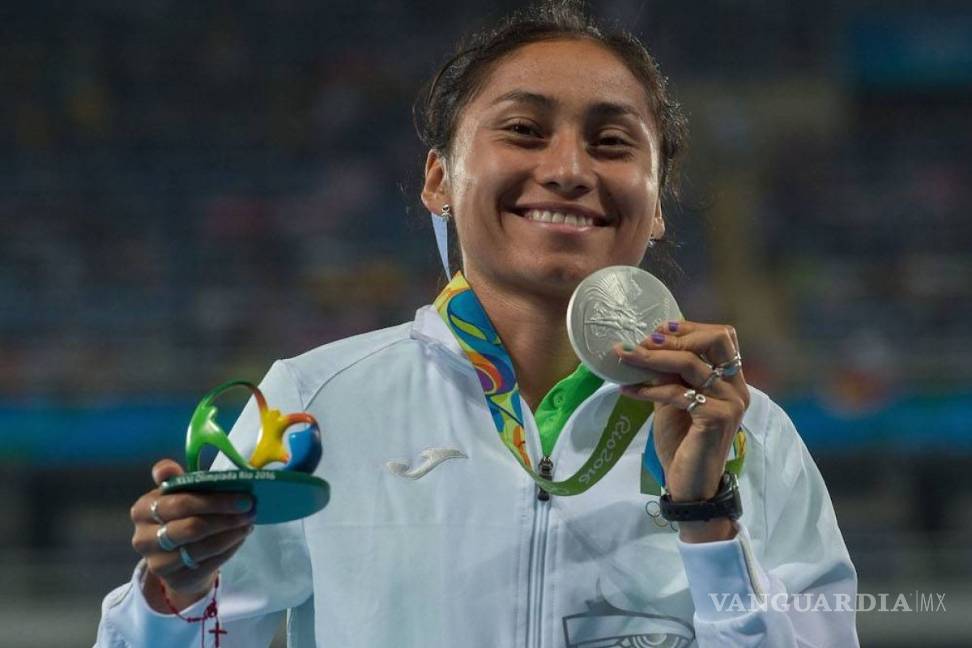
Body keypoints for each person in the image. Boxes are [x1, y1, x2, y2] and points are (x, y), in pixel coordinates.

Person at [96, 2, 859, 646]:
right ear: (439, 179)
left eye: (612, 142)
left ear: (656, 203)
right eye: (524, 130)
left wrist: (708, 519)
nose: (569, 170)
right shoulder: (309, 405)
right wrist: (170, 601)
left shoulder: (753, 439)